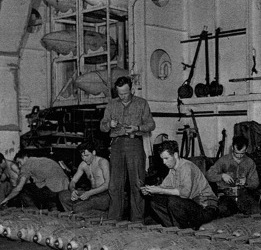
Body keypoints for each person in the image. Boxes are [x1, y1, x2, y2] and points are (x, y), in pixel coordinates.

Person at [100, 76, 156, 222]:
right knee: (114, 185)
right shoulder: (112, 104)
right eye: (119, 94)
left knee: (137, 183)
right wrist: (109, 125)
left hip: (134, 144)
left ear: (131, 89)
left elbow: (151, 125)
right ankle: (113, 219)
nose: (123, 96)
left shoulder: (142, 103)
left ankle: (137, 221)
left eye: (125, 93)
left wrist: (137, 128)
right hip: (117, 145)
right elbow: (102, 125)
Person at [140, 140, 218, 230]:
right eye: (162, 159)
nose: (164, 162)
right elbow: (164, 187)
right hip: (191, 205)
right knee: (155, 201)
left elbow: (185, 193)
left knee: (173, 201)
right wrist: (150, 190)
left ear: (176, 155)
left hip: (205, 208)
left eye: (166, 158)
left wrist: (159, 190)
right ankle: (175, 228)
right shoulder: (173, 169)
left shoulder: (186, 167)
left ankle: (185, 229)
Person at [206, 135, 261, 216]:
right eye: (236, 153)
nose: (239, 156)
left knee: (256, 211)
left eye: (242, 153)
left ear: (246, 149)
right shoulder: (223, 161)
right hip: (226, 195)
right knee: (222, 211)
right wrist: (222, 176)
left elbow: (255, 182)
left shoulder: (250, 162)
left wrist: (246, 182)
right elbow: (208, 175)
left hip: (243, 195)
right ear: (232, 148)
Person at [0, 150, 69, 210]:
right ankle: (51, 206)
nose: (20, 166)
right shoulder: (41, 160)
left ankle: (33, 210)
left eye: (19, 162)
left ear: (25, 158)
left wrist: (6, 199)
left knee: (24, 189)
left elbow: (19, 188)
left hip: (53, 190)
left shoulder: (26, 165)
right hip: (64, 189)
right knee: (36, 187)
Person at [58, 141, 110, 214]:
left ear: (94, 152)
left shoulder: (102, 162)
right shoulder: (83, 164)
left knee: (79, 207)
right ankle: (76, 213)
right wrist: (73, 191)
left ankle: (84, 211)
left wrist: (89, 193)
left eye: (87, 155)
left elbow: (107, 184)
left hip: (104, 196)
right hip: (91, 194)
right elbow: (73, 182)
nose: (84, 159)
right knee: (63, 195)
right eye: (82, 156)